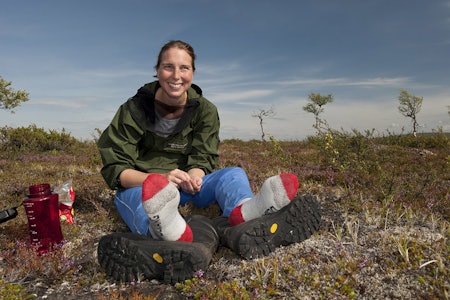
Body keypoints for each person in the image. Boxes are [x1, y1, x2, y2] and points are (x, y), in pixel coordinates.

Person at [96, 40, 321, 284]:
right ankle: (164, 230)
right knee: (142, 202)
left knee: (232, 174)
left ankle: (244, 213)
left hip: (185, 186)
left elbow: (202, 156)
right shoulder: (133, 109)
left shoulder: (206, 110)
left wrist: (194, 176)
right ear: (157, 70)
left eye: (184, 68)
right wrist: (156, 180)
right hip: (142, 186)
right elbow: (117, 168)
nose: (176, 75)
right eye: (168, 67)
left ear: (192, 72)